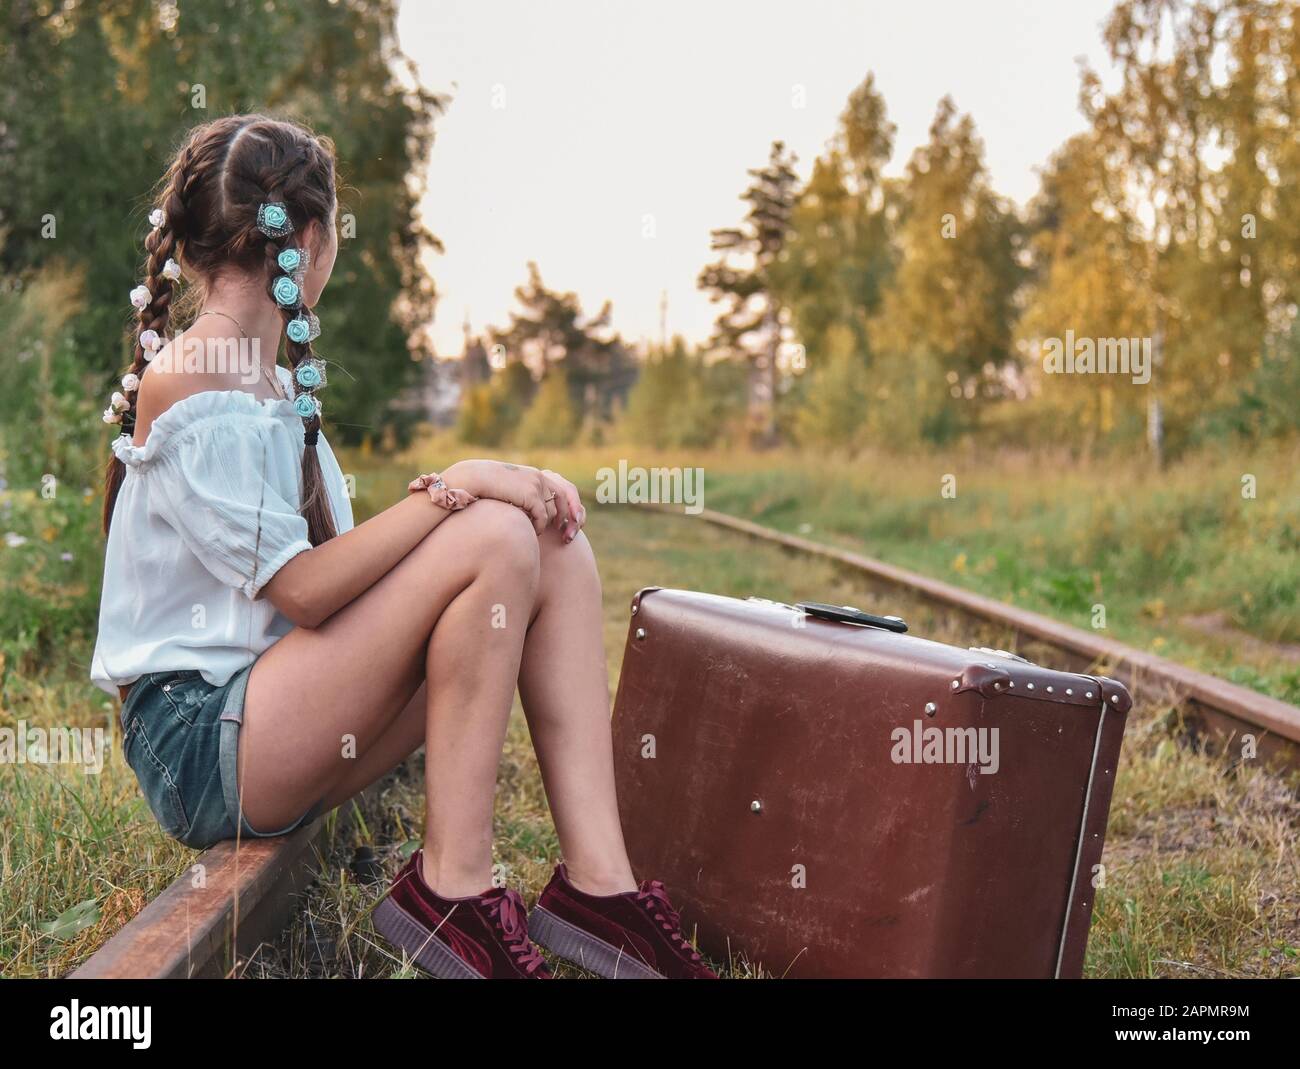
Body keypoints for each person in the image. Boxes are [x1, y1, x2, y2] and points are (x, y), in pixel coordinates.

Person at [91, 114, 715, 980]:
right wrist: (452, 486)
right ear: (312, 240)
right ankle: (450, 887)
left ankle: (598, 887)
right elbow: (306, 591)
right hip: (205, 743)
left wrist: (476, 491)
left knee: (548, 544)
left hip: (280, 714)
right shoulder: (195, 371)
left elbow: (342, 589)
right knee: (495, 533)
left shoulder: (269, 377)